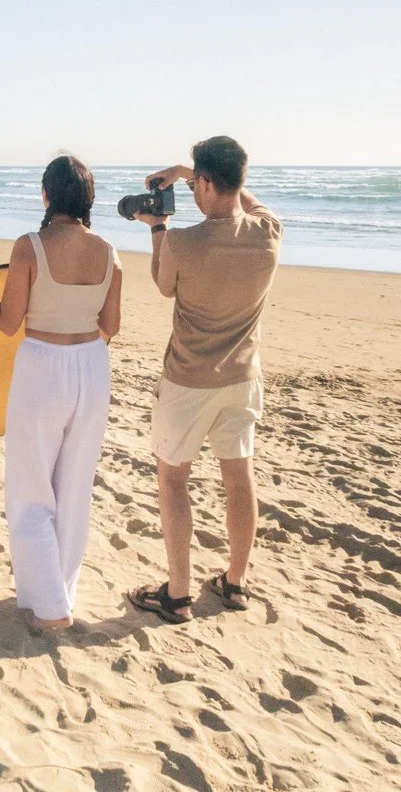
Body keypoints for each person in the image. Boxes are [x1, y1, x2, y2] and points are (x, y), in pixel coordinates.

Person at [0, 155, 122, 632]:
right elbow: (111, 325)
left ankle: (50, 608)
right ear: (89, 198)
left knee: (30, 488)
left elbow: (9, 323)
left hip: (43, 366)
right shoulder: (110, 252)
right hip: (92, 368)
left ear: (46, 195)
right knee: (75, 487)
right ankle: (57, 592)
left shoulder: (30, 246)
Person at [127, 136, 282, 624]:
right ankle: (235, 583)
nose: (193, 190)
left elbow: (162, 284)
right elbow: (248, 202)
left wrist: (157, 228)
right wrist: (186, 170)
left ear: (208, 183)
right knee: (239, 475)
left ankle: (177, 594)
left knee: (174, 479)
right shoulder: (269, 232)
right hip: (243, 376)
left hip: (189, 380)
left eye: (197, 183)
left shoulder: (182, 242)